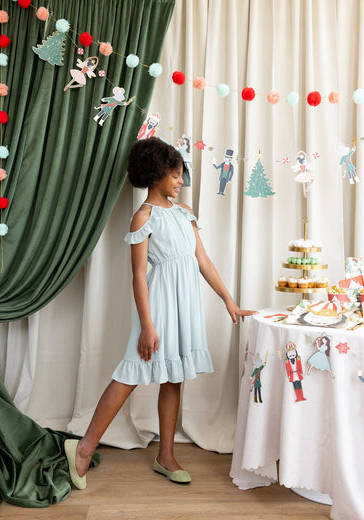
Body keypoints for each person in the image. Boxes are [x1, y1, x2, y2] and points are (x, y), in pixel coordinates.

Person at [64, 137, 258, 489]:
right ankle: (83, 447)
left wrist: (228, 300)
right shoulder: (143, 217)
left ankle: (165, 456)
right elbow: (139, 275)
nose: (180, 180)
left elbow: (203, 261)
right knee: (131, 372)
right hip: (159, 308)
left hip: (186, 306)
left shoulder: (185, 214)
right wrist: (147, 326)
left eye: (181, 174)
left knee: (173, 377)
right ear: (155, 174)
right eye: (175, 174)